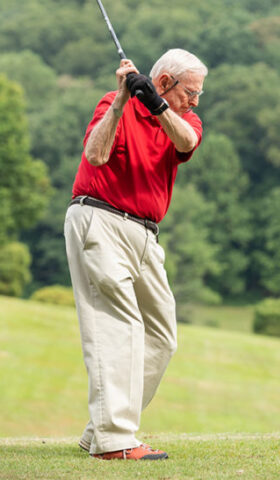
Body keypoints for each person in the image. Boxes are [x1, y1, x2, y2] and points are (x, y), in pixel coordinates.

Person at [64, 48, 206, 460]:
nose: (195, 100)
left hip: (145, 234)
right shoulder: (113, 104)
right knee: (119, 326)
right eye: (191, 92)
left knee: (162, 336)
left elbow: (187, 139)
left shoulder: (182, 118)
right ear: (166, 80)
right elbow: (95, 154)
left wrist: (158, 104)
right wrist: (125, 98)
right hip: (100, 218)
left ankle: (100, 430)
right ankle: (114, 439)